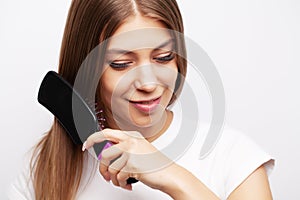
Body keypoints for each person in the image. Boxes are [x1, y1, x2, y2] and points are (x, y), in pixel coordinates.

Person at [7, 0, 274, 199]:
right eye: (121, 64)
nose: (148, 83)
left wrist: (174, 177)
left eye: (163, 58)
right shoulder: (44, 168)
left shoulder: (235, 158)